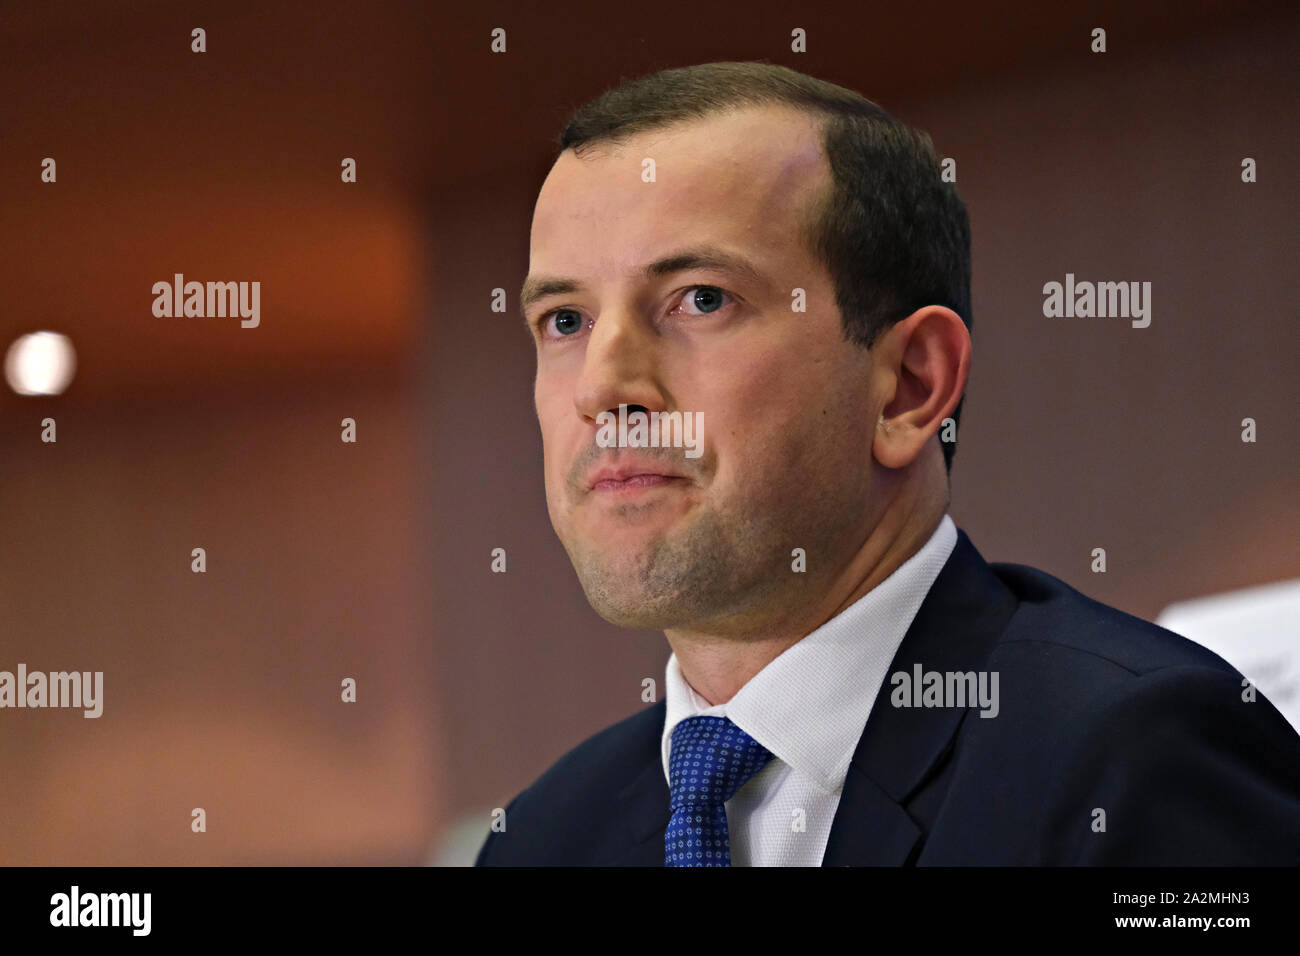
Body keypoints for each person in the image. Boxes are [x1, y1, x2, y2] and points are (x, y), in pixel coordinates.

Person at [475, 61, 1300, 866]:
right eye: (565, 320)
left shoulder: (1135, 761)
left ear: (910, 386)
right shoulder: (545, 837)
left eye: (701, 299)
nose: (603, 389)